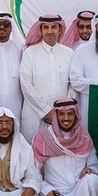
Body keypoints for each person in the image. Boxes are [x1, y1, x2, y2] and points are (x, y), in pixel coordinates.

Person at [32, 97, 98, 196]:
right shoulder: (43, 139)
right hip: (58, 193)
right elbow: (33, 172)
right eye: (61, 114)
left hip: (80, 192)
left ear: (76, 115)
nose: (66, 118)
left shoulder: (84, 137)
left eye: (70, 114)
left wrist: (89, 169)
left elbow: (95, 165)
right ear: (55, 116)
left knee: (92, 179)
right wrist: (46, 191)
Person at [19, 14, 75, 142]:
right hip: (34, 114)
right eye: (46, 27)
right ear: (40, 30)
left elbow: (73, 84)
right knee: (33, 152)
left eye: (54, 27)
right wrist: (46, 111)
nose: (50, 31)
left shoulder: (69, 53)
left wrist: (64, 110)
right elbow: (26, 84)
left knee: (58, 156)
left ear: (60, 30)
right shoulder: (30, 53)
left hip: (62, 117)